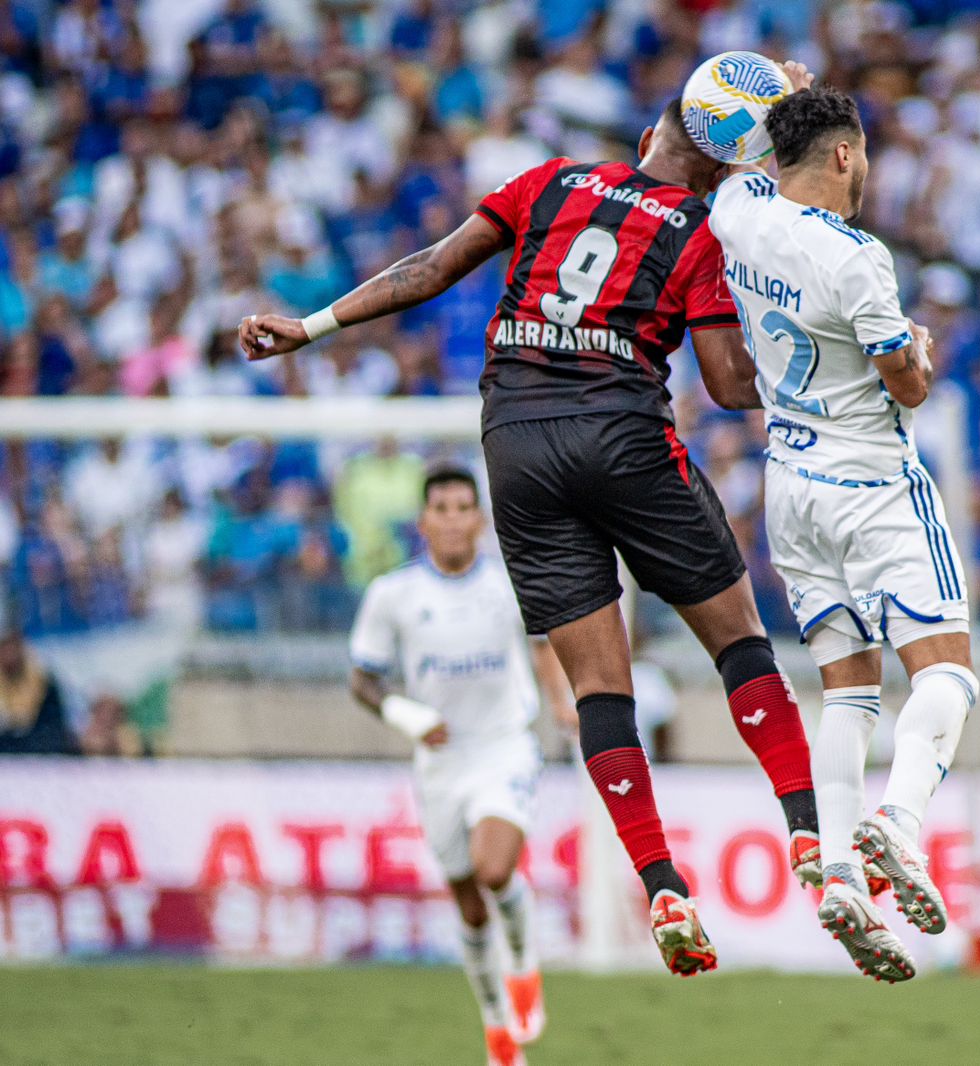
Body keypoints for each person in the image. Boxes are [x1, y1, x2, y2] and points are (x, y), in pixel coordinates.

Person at [239, 92, 820, 977]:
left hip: (514, 442)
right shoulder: (705, 230)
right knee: (739, 638)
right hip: (621, 428)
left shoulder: (550, 181)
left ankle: (661, 881)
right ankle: (810, 836)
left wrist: (311, 327)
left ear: (645, 139)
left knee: (597, 686)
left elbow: (433, 266)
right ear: (719, 172)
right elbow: (730, 386)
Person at [709, 81, 980, 982]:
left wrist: (773, 94)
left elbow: (739, 157)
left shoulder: (736, 211)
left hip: (789, 485)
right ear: (844, 156)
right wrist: (920, 352)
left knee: (848, 692)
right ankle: (897, 825)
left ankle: (833, 871)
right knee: (946, 672)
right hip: (870, 482)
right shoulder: (856, 256)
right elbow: (907, 386)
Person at [349, 467, 568, 1066]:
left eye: (462, 507)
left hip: (503, 745)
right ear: (423, 522)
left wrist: (561, 704)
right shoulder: (393, 596)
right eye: (440, 508)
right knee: (469, 906)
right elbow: (362, 679)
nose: (451, 518)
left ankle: (523, 961)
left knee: (494, 869)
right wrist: (403, 714)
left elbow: (544, 643)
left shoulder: (507, 584)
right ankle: (497, 1026)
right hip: (441, 761)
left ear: (480, 520)